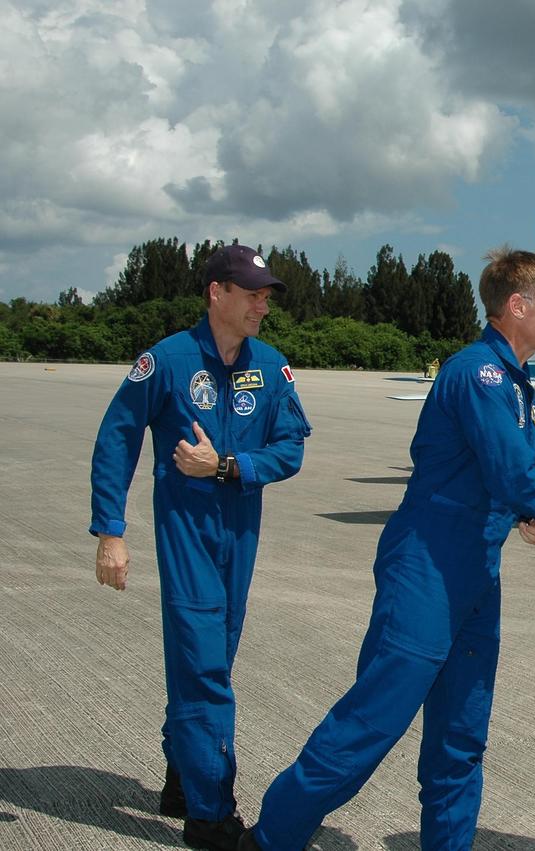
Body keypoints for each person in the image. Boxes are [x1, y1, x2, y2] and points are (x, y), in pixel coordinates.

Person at [240, 247, 535, 851]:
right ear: (517, 306)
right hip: (426, 568)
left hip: (477, 573)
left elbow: (511, 482)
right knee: (371, 725)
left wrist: (531, 516)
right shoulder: (477, 374)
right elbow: (513, 475)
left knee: (461, 736)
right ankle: (271, 838)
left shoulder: (519, 387)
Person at [90, 244, 311, 851]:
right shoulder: (165, 361)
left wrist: (230, 465)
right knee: (204, 666)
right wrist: (112, 531)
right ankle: (211, 815)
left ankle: (183, 775)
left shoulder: (270, 366)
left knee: (211, 660)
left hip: (239, 534)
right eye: (253, 293)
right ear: (218, 292)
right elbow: (117, 439)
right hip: (186, 535)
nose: (263, 304)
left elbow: (290, 448)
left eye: (267, 294)